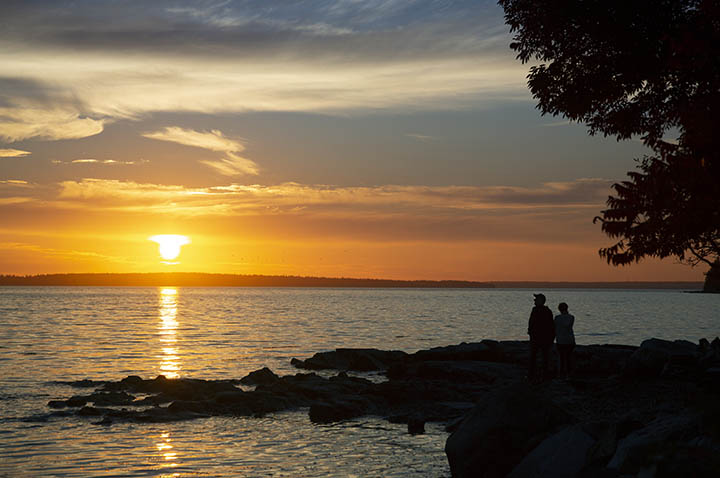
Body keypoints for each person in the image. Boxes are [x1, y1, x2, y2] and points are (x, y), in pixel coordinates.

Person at [527, 293, 555, 382]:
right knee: (541, 357)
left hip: (541, 338)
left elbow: (550, 325)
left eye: (536, 299)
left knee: (538, 357)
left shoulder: (541, 311)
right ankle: (538, 375)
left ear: (540, 301)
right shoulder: (545, 311)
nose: (534, 301)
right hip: (539, 338)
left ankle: (535, 375)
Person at [554, 302, 575, 379]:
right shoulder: (571, 317)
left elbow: (555, 328)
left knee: (562, 358)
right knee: (568, 357)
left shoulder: (557, 318)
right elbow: (568, 325)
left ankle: (561, 373)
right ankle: (568, 374)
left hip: (560, 340)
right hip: (569, 340)